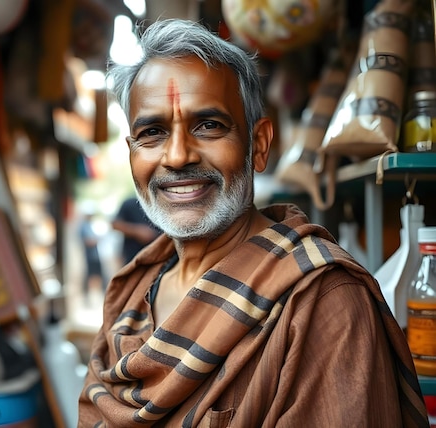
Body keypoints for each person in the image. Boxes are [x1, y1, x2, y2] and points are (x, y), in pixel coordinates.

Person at [78, 19, 428, 427]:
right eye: (152, 132)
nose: (176, 157)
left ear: (257, 146)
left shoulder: (322, 302)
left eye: (208, 125)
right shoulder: (130, 292)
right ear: (131, 152)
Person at [111, 196, 160, 265]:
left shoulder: (162, 203)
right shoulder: (130, 203)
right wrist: (137, 231)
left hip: (159, 257)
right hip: (134, 257)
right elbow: (115, 224)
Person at [79, 210, 107, 297]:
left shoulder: (89, 226)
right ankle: (89, 296)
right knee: (90, 276)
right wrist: (96, 240)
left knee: (99, 276)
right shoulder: (84, 227)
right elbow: (88, 241)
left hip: (95, 256)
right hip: (90, 257)